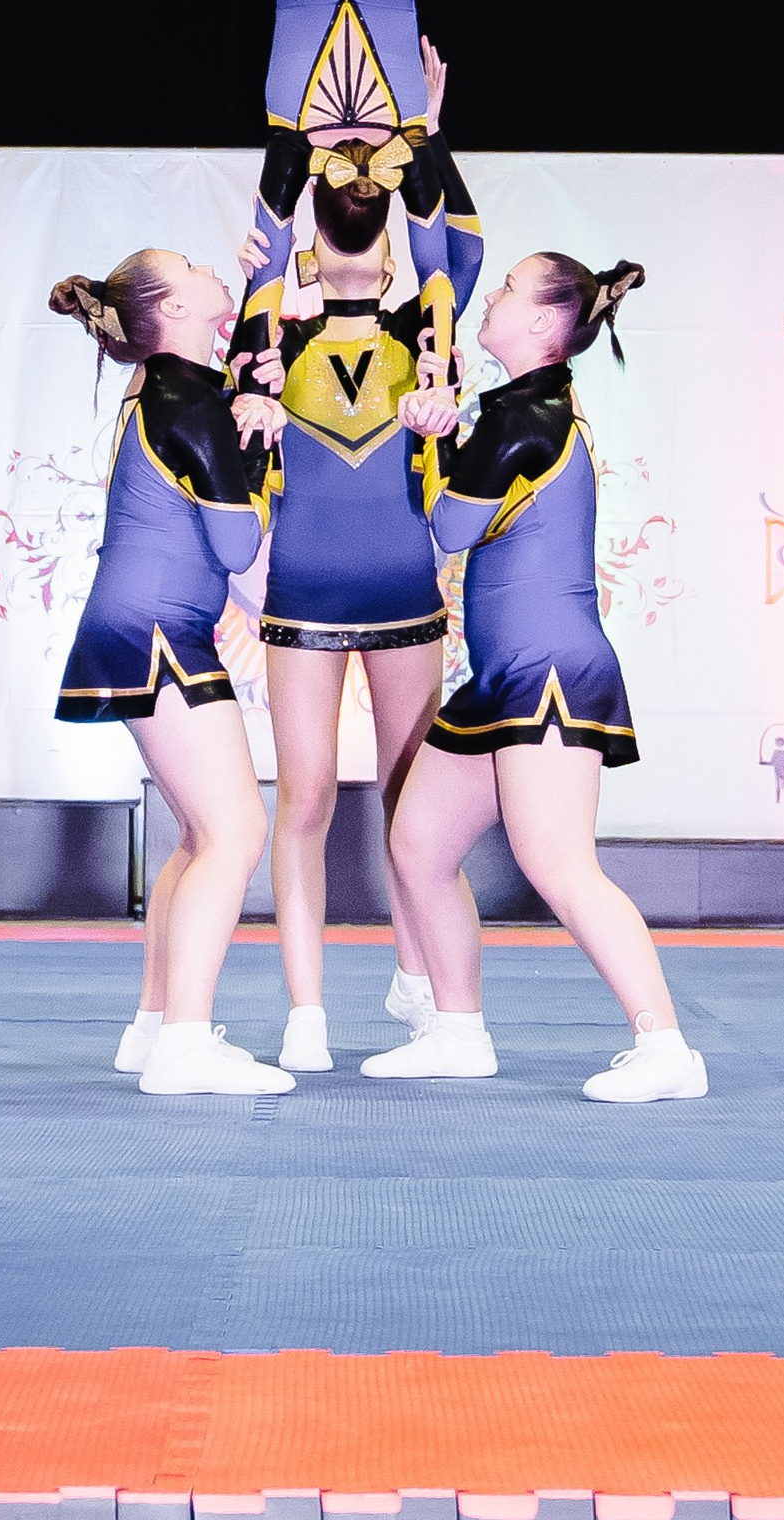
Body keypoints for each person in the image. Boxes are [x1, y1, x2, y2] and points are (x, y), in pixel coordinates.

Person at [226, 0, 484, 1063]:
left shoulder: (294, 185)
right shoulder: (407, 204)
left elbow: (272, 272)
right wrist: (430, 130)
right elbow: (443, 255)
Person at [363, 253, 710, 1106]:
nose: (492, 296)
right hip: (504, 676)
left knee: (559, 861)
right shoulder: (527, 408)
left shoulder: (527, 416)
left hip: (548, 672)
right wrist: (442, 426)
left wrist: (430, 434)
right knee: (418, 843)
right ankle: (457, 1031)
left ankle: (665, 1045)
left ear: (547, 322)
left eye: (510, 288)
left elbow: (449, 526)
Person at [231, 133, 479, 1073]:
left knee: (408, 798)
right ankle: (306, 1010)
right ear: (307, 252)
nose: (359, 241)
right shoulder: (273, 341)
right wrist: (289, 160)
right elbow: (261, 274)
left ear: (389, 257)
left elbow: (457, 254)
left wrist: (423, 139)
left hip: (404, 592)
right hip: (303, 593)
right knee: (306, 798)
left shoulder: (427, 334)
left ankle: (416, 982)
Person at [51, 250, 294, 1097]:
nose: (206, 263)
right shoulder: (186, 400)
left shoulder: (165, 387)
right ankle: (185, 1043)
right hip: (161, 631)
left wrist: (247, 401)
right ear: (174, 308)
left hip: (147, 624)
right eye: (190, 265)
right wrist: (256, 443)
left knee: (201, 833)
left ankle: (156, 1026)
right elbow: (239, 547)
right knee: (236, 832)